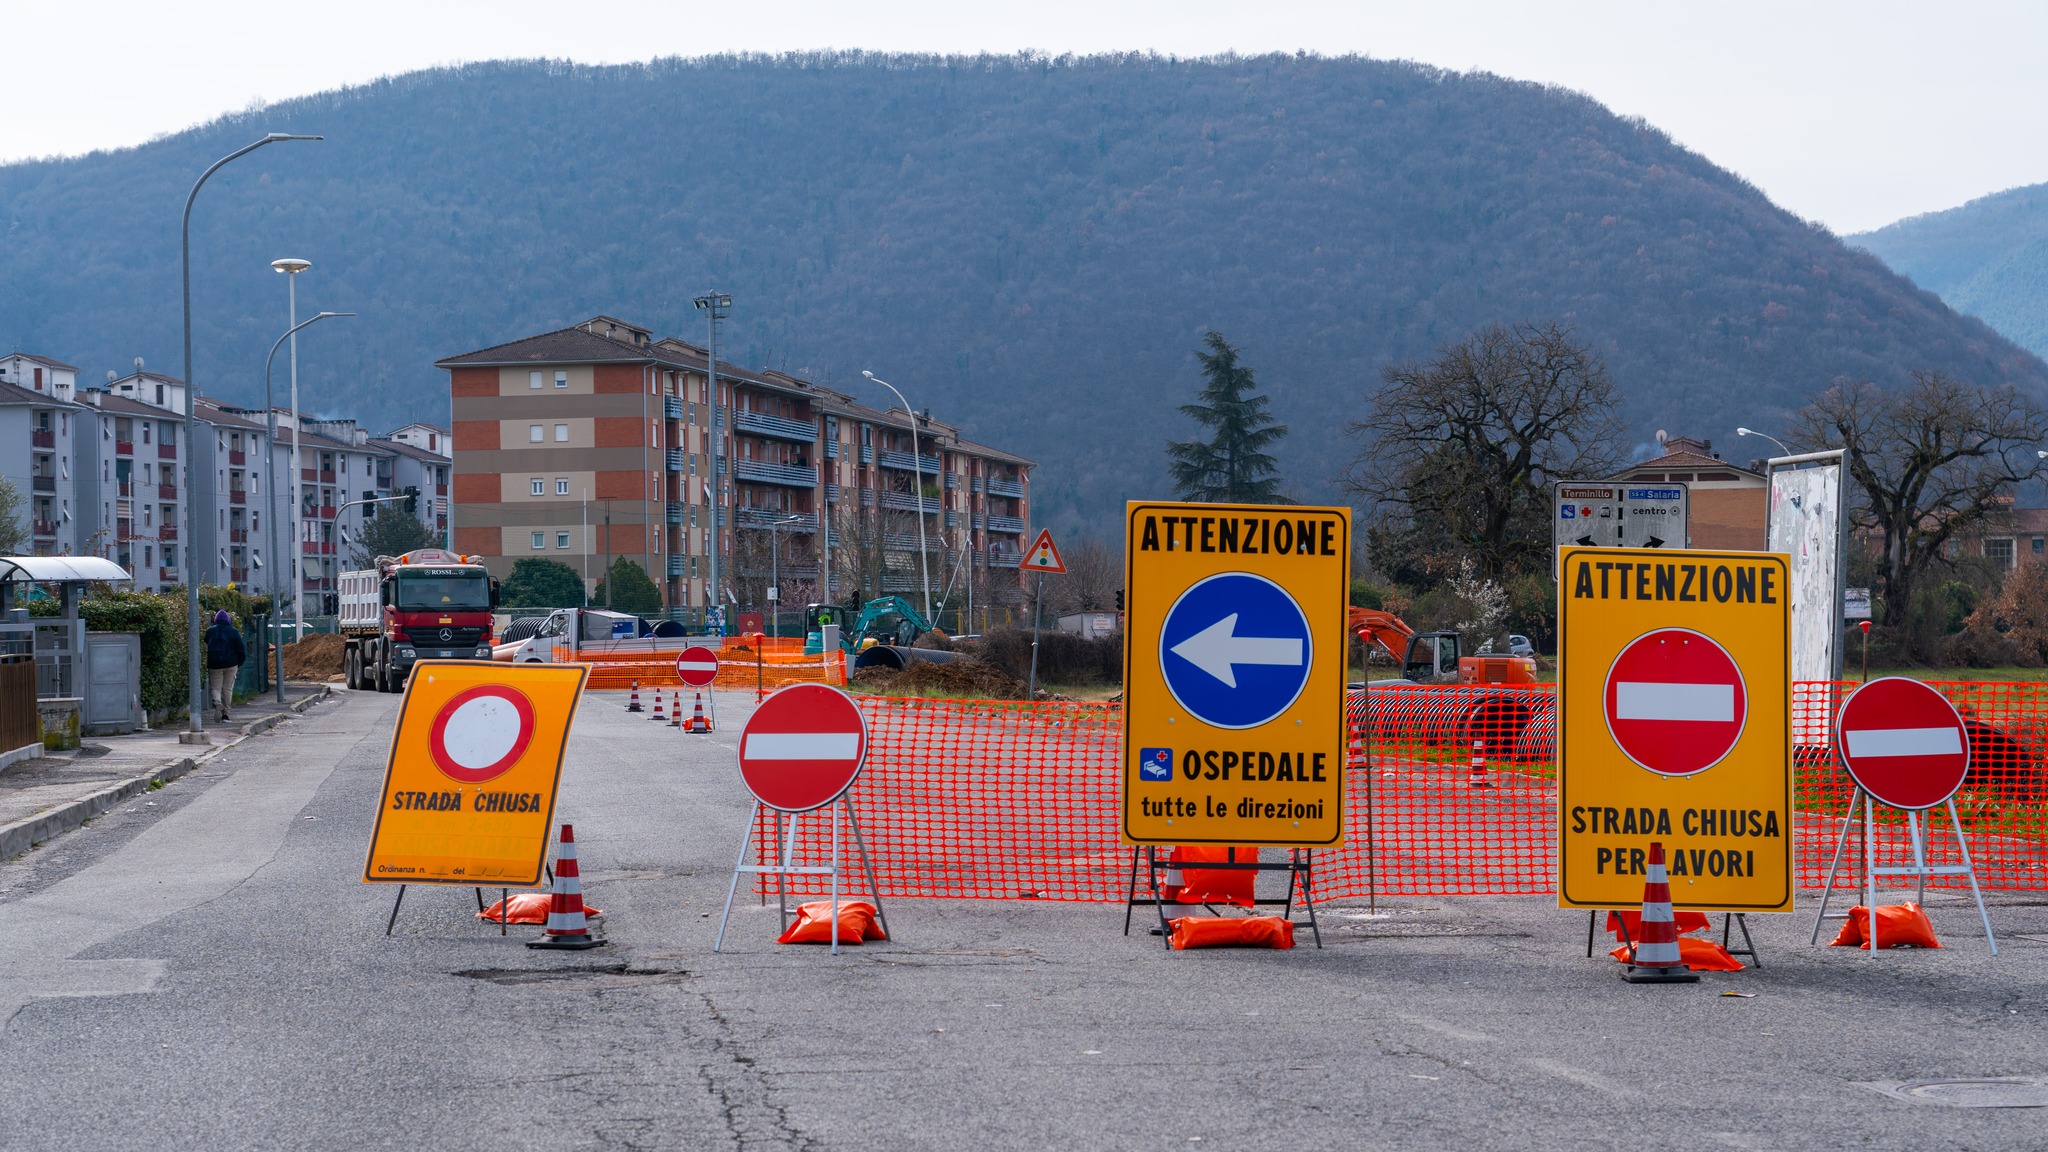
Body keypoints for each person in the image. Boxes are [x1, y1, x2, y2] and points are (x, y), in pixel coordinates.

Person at [203, 609, 246, 724]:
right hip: (231, 664)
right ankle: (226, 715)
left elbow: (206, 642)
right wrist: (238, 663)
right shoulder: (233, 631)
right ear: (228, 620)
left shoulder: (210, 631)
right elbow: (241, 650)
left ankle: (217, 704)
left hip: (214, 664)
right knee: (227, 690)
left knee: (216, 688)